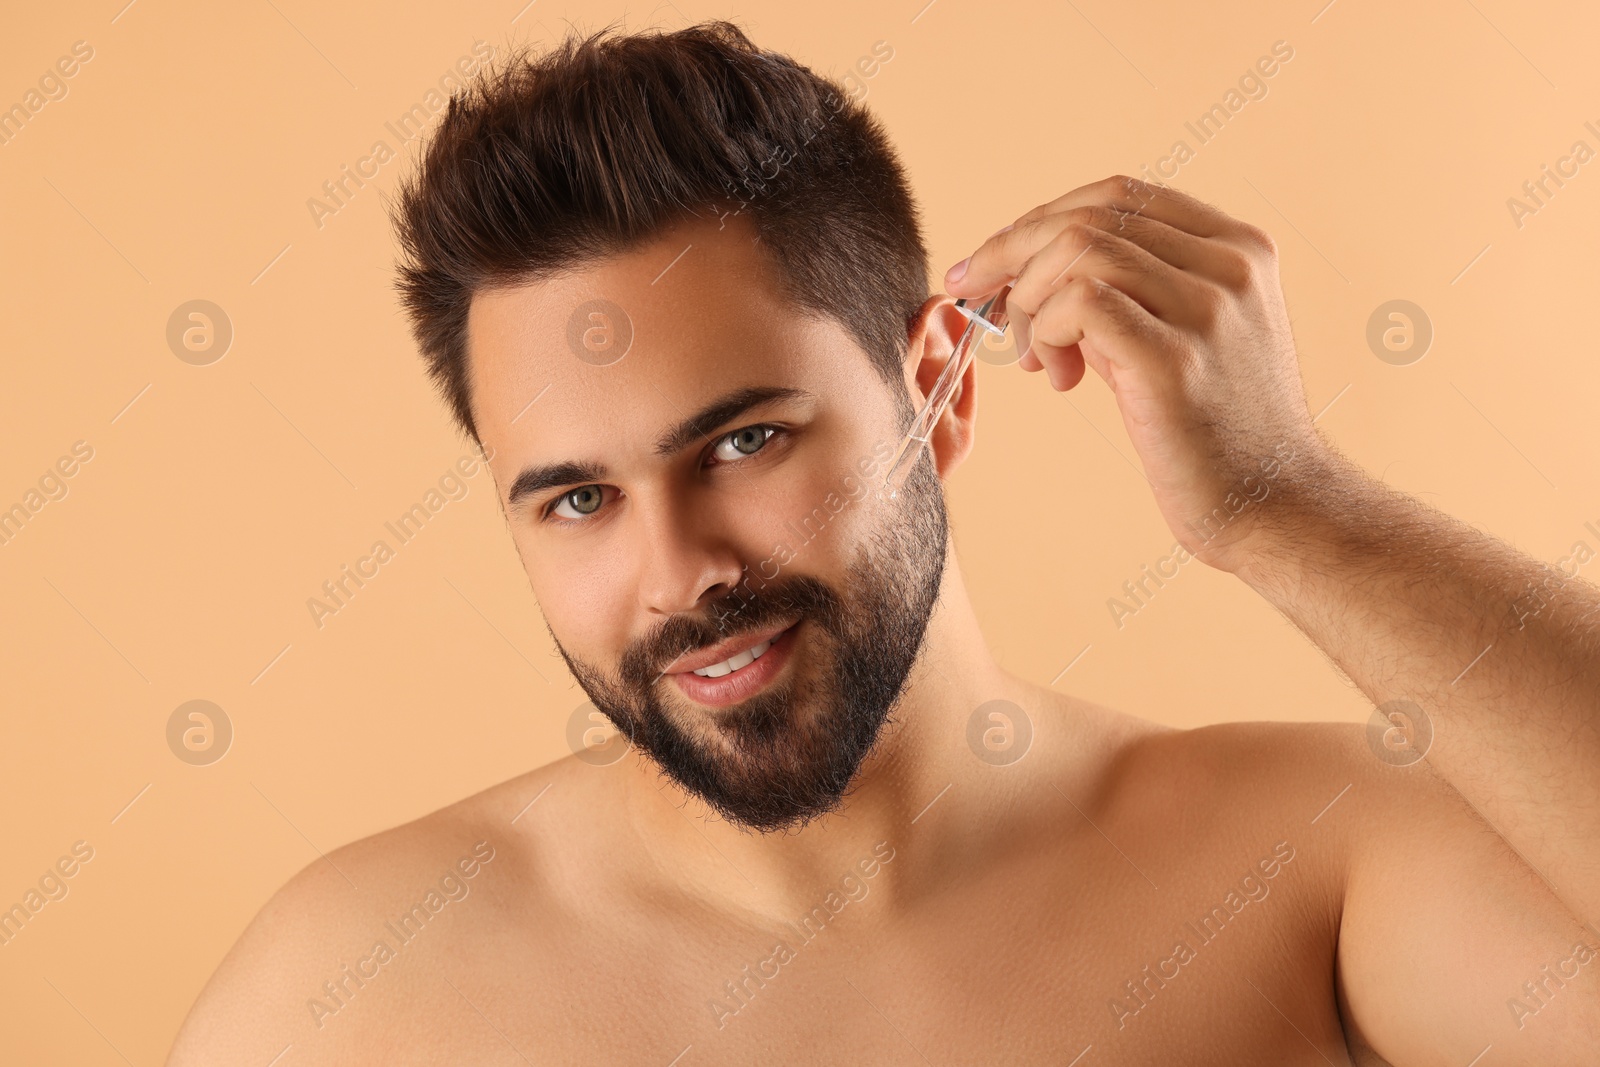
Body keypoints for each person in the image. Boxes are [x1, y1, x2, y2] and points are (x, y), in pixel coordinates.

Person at [167, 20, 1600, 1066]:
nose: (681, 578)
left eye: (743, 442)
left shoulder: (1311, 864)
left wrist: (1290, 504)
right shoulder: (348, 988)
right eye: (578, 500)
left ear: (942, 388)